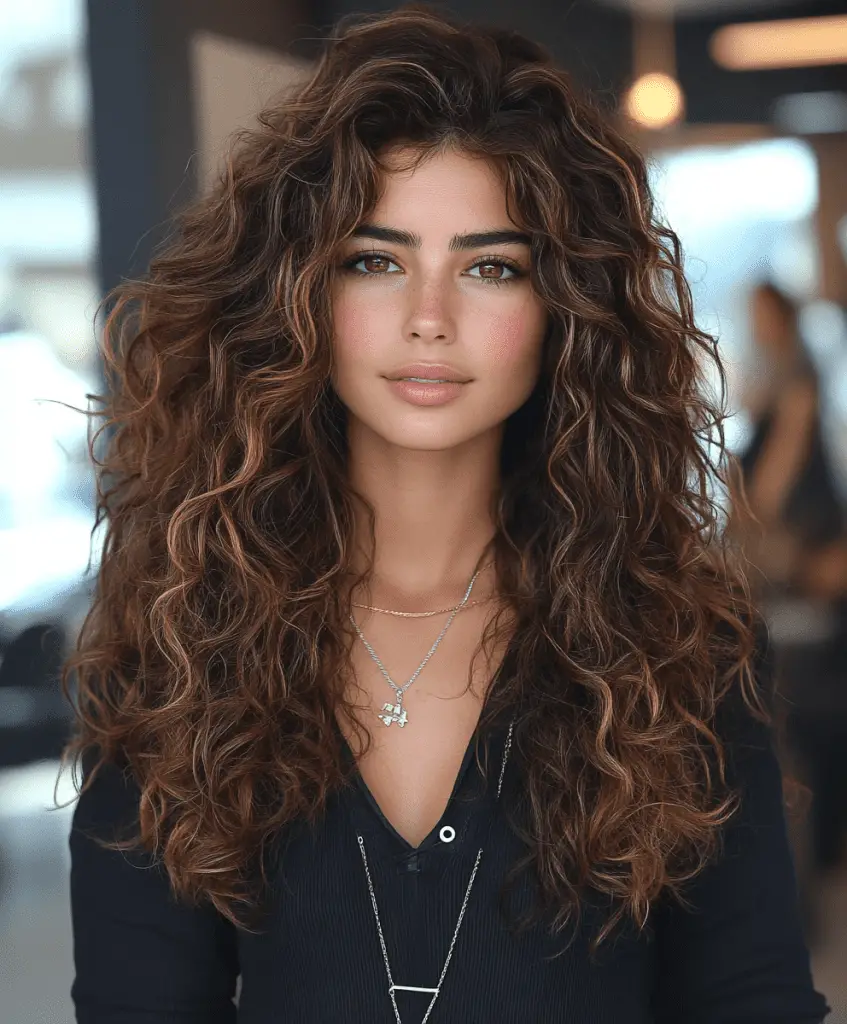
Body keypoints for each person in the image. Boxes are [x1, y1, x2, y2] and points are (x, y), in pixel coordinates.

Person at [62, 6, 829, 1022]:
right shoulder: (177, 635)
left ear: (562, 308)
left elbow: (750, 999)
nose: (430, 313)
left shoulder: (678, 642)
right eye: (374, 259)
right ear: (297, 291)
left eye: (490, 265)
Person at [730, 282, 847, 923]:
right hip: (793, 577)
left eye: (757, 314)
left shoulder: (796, 382)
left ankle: (805, 885)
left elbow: (770, 490)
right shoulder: (778, 381)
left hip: (802, 578)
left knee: (799, 727)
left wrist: (744, 518)